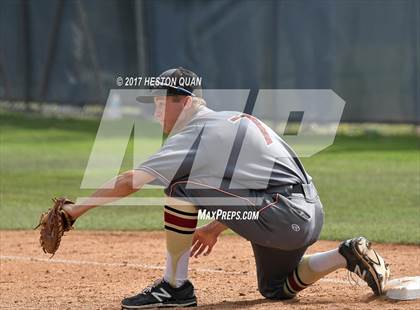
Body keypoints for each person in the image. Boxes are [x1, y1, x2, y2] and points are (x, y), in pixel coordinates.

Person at [61, 67, 390, 309]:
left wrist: (74, 211)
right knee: (276, 289)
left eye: (161, 102)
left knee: (179, 185)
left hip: (283, 213)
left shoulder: (196, 133)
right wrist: (218, 226)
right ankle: (344, 254)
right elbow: (254, 181)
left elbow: (130, 180)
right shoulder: (231, 118)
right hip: (304, 212)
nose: (155, 111)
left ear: (183, 101)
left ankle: (175, 287)